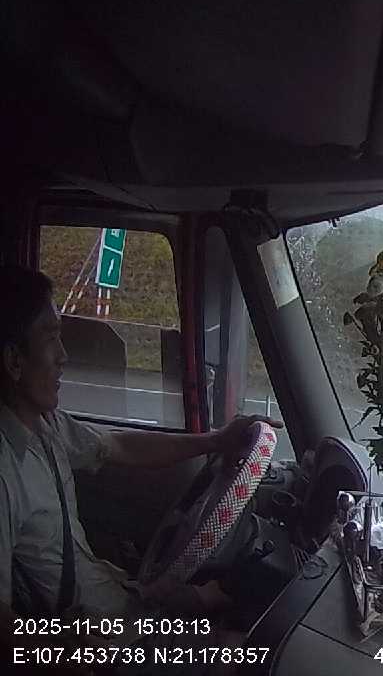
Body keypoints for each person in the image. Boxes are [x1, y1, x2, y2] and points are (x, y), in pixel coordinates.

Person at [0, 265, 281, 670]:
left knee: (242, 608)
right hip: (101, 644)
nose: (63, 355)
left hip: (122, 604)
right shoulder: (4, 470)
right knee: (254, 656)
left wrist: (216, 440)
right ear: (13, 361)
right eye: (50, 338)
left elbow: (119, 446)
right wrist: (72, 650)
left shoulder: (46, 425)